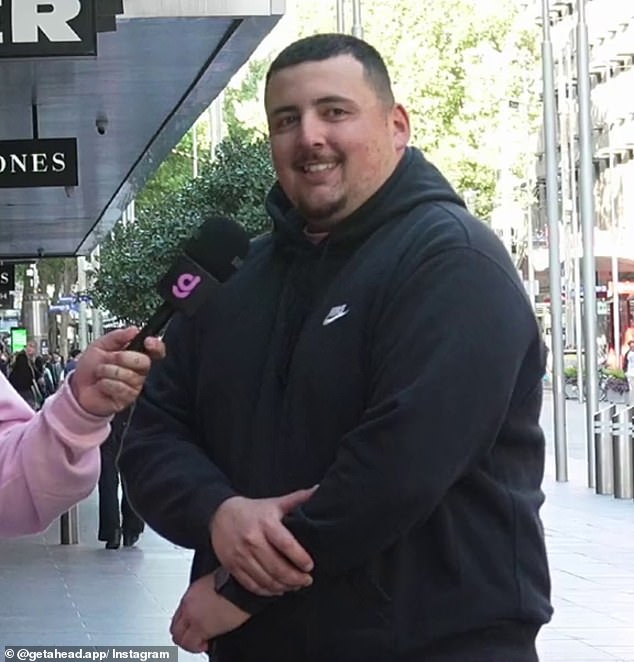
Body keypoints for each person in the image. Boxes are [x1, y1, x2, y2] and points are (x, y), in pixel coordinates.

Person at [119, 33, 552, 662]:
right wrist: (218, 512)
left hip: (432, 643)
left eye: (335, 112)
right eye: (286, 120)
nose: (309, 137)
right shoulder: (236, 281)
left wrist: (242, 590)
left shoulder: (452, 261)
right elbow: (154, 433)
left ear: (397, 125)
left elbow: (399, 466)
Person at [0, 327, 165, 539]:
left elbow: (15, 479)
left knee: (114, 480)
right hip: (117, 432)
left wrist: (78, 411)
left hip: (107, 432)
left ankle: (115, 530)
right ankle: (124, 529)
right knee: (119, 478)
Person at [98, 409, 144, 549]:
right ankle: (132, 530)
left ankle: (112, 532)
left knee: (107, 482)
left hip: (108, 423)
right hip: (132, 423)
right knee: (132, 478)